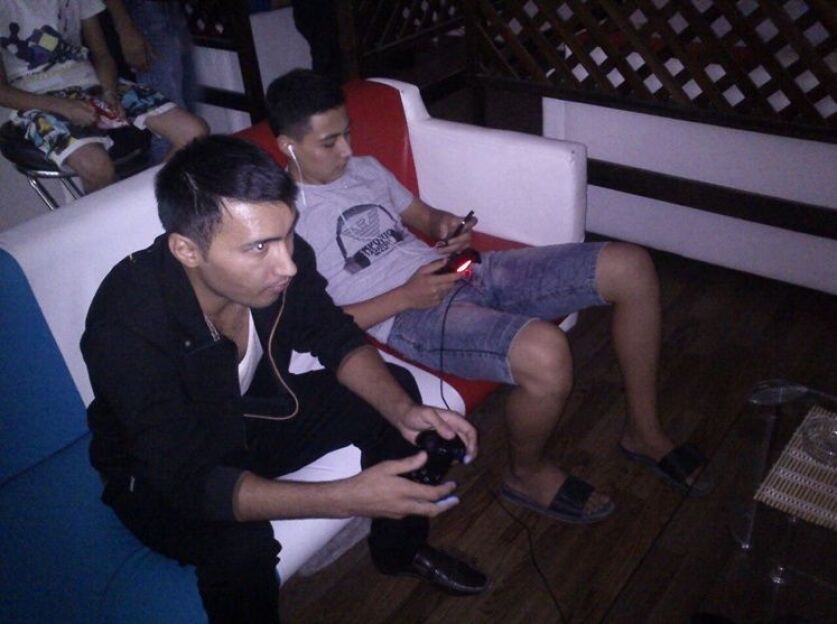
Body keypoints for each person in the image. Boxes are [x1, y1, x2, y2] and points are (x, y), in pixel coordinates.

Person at [264, 69, 713, 525]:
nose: (347, 150)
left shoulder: (365, 170)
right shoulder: (281, 221)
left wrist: (446, 227)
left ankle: (644, 431)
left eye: (348, 133)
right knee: (545, 352)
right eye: (330, 143)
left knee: (630, 265)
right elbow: (313, 327)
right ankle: (526, 474)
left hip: (461, 271)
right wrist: (405, 297)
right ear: (288, 146)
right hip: (411, 316)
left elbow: (424, 216)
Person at [81, 135, 487, 623]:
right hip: (156, 473)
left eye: (287, 234)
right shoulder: (125, 324)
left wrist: (403, 412)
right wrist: (343, 498)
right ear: (187, 249)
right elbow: (189, 481)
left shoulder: (283, 266)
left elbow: (334, 335)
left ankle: (398, 550)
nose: (287, 264)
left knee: (396, 394)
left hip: (249, 418)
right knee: (241, 551)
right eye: (258, 247)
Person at [0, 0, 207, 193]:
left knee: (193, 132)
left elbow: (102, 55)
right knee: (96, 166)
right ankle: (118, 215)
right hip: (37, 99)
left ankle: (147, 201)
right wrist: (64, 106)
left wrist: (109, 93)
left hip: (92, 83)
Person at [104, 0, 197, 163]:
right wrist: (124, 26)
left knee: (185, 106)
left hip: (165, 10)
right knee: (171, 125)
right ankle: (168, 175)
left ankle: (183, 172)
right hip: (140, 11)